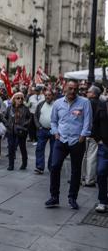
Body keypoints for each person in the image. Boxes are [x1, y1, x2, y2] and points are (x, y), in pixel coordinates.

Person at [45, 80, 92, 210]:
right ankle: (54, 197)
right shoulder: (57, 103)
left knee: (76, 170)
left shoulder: (84, 102)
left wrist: (83, 135)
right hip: (61, 139)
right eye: (70, 88)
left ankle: (72, 198)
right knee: (54, 166)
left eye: (75, 89)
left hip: (77, 141)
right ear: (65, 88)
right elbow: (53, 121)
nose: (72, 91)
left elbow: (88, 121)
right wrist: (55, 132)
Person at [82, 86, 105, 187]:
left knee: (85, 156)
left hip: (87, 133)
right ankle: (89, 179)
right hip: (94, 134)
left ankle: (84, 177)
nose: (87, 93)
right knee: (91, 157)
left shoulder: (88, 103)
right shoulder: (101, 103)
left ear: (94, 94)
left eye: (89, 91)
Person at [2, 92, 31, 171]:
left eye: (22, 98)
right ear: (14, 99)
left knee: (22, 148)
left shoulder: (25, 108)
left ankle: (24, 163)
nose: (20, 100)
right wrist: (8, 125)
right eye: (18, 98)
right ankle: (11, 165)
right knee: (11, 148)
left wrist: (24, 126)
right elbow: (5, 117)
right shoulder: (9, 108)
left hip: (21, 132)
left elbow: (29, 119)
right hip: (11, 131)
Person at [34, 89, 56, 174]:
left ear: (53, 96)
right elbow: (35, 116)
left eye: (49, 95)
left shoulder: (56, 105)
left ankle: (51, 167)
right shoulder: (41, 104)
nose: (47, 97)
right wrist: (38, 126)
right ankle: (39, 167)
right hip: (42, 130)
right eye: (46, 95)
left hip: (53, 131)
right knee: (39, 148)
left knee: (54, 150)